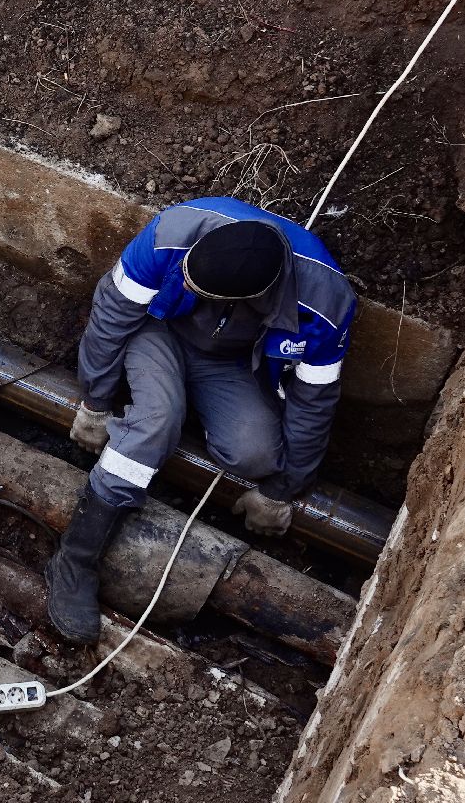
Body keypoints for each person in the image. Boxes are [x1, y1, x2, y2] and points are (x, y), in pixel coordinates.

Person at [47, 197, 356, 645]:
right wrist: (95, 402)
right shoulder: (171, 235)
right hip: (159, 332)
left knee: (255, 454)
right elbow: (112, 314)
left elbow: (314, 402)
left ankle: (187, 412)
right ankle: (75, 560)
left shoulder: (325, 303)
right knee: (156, 423)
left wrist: (281, 491)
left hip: (230, 362)